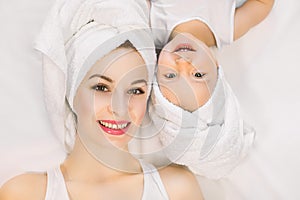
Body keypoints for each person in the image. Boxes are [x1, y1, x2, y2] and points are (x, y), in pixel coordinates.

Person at [0, 1, 204, 199]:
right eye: (101, 87)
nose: (120, 108)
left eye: (136, 91)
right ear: (71, 92)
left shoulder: (177, 190)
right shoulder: (25, 193)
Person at [143, 0, 274, 179]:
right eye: (198, 75)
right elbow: (263, 4)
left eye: (171, 76)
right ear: (216, 66)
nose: (183, 62)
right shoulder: (227, 28)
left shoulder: (153, 23)